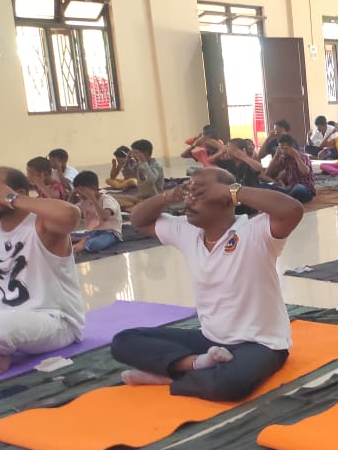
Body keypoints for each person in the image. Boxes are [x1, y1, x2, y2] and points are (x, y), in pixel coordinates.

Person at [110, 168, 305, 401]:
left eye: (200, 194)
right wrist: (168, 196)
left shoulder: (254, 232)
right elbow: (138, 220)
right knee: (124, 341)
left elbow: (292, 210)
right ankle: (196, 364)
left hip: (260, 343)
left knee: (229, 385)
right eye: (189, 192)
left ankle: (171, 377)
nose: (189, 200)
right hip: (210, 340)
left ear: (225, 199)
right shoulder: (187, 230)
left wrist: (231, 190)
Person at [0, 168, 83, 374]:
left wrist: (11, 198)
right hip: (0, 318)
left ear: (18, 192)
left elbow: (71, 215)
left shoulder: (41, 225)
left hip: (54, 321)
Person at [70, 171, 123, 254]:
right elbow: (68, 213)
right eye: (77, 191)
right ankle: (85, 239)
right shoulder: (84, 201)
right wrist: (71, 196)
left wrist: (92, 197)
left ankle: (84, 241)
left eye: (81, 191)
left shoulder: (107, 200)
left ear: (94, 188)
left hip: (109, 233)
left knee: (92, 245)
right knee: (65, 238)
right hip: (91, 233)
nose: (79, 194)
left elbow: (104, 217)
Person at [263, 135, 315, 203]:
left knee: (299, 188)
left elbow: (305, 171)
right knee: (264, 186)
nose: (283, 151)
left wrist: (296, 156)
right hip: (289, 188)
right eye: (281, 148)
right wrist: (276, 156)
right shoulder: (284, 158)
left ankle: (282, 199)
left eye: (285, 148)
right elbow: (267, 174)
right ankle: (285, 198)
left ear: (292, 147)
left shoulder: (303, 157)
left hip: (305, 189)